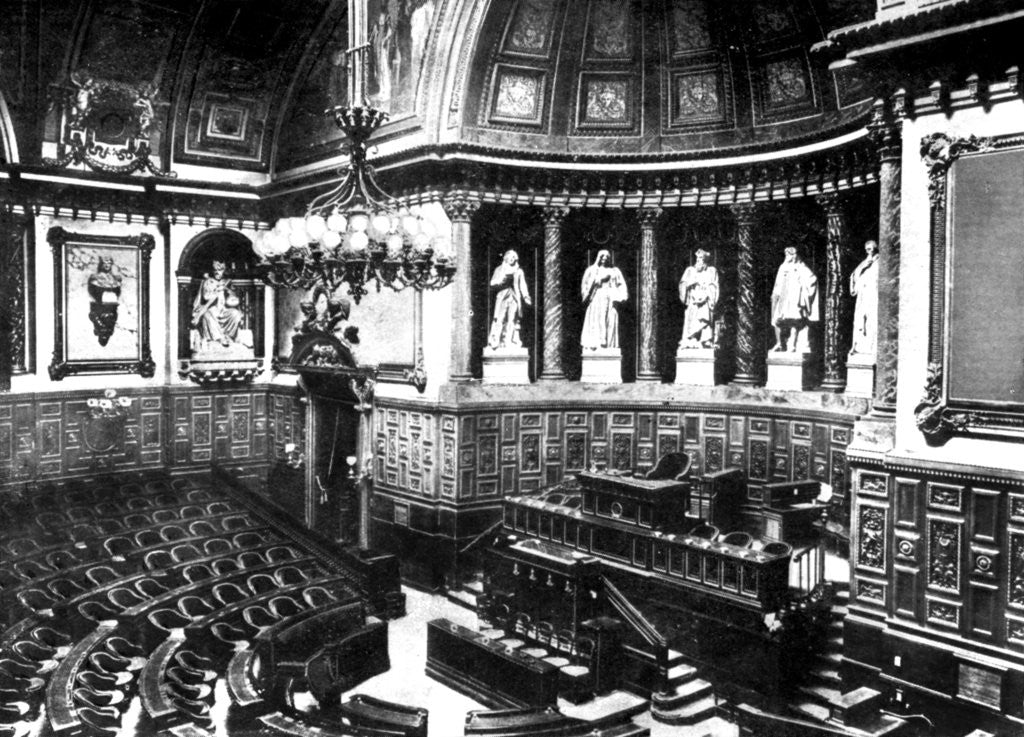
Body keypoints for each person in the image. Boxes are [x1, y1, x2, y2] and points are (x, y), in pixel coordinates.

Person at [771, 246, 819, 353]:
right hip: (783, 298)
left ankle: (792, 344)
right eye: (786, 254)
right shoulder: (783, 267)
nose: (787, 257)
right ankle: (780, 343)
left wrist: (802, 288)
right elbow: (778, 283)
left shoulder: (801, 267)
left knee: (794, 320)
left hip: (794, 298)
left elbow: (813, 279)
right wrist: (775, 295)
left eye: (789, 254)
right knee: (777, 320)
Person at [581, 249, 628, 350]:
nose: (604, 259)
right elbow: (585, 288)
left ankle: (607, 343)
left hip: (610, 298)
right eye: (602, 256)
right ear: (598, 257)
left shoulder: (614, 271)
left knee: (610, 318)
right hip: (596, 298)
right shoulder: (592, 270)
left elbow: (622, 286)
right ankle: (596, 342)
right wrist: (596, 281)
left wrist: (620, 296)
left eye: (607, 257)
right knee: (596, 319)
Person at [191, 260, 242, 348]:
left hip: (223, 309)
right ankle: (219, 338)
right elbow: (206, 297)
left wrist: (226, 289)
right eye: (215, 270)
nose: (217, 272)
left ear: (224, 270)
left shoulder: (227, 282)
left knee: (235, 314)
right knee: (208, 314)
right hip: (212, 308)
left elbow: (235, 300)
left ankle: (229, 336)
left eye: (220, 270)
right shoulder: (208, 281)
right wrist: (216, 291)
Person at [487, 250, 532, 349]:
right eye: (510, 257)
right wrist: (500, 280)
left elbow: (522, 285)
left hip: (514, 297)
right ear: (506, 258)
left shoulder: (519, 271)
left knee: (512, 319)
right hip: (502, 296)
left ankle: (509, 341)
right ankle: (495, 340)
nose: (511, 259)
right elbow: (492, 283)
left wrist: (526, 296)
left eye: (513, 257)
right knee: (500, 318)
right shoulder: (499, 269)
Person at [678, 248, 719, 349]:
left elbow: (714, 286)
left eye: (700, 259)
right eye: (697, 259)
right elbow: (683, 284)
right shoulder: (690, 270)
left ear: (705, 261)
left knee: (705, 321)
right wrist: (690, 283)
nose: (698, 261)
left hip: (705, 302)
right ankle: (691, 339)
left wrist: (707, 294)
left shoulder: (711, 271)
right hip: (693, 301)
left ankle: (705, 340)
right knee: (691, 321)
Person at [849, 240, 878, 356]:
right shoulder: (864, 262)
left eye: (871, 249)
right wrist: (863, 267)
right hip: (862, 296)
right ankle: (859, 346)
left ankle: (870, 347)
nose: (869, 252)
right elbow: (854, 276)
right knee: (860, 321)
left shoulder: (879, 262)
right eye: (867, 249)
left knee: (871, 321)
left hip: (873, 296)